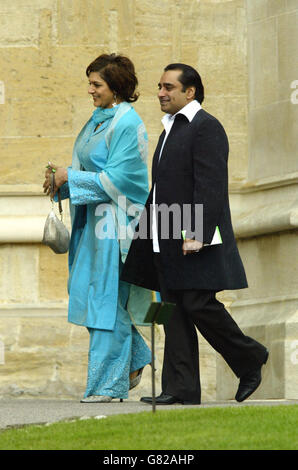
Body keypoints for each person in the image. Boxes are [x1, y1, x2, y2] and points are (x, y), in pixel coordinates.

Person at [121, 63, 269, 405]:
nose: (161, 92)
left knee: (198, 302)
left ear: (190, 91)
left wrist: (197, 233)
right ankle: (181, 388)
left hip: (192, 238)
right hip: (164, 237)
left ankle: (250, 357)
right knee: (174, 310)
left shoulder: (206, 127)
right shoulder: (169, 128)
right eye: (159, 86)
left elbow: (211, 185)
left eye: (169, 87)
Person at [43, 53, 152, 403]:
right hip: (91, 227)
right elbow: (87, 170)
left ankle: (107, 385)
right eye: (90, 83)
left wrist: (70, 177)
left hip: (116, 229)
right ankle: (136, 358)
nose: (90, 90)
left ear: (116, 88)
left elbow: (124, 178)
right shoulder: (96, 121)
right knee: (96, 300)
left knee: (107, 303)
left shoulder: (127, 123)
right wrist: (60, 180)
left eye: (97, 85)